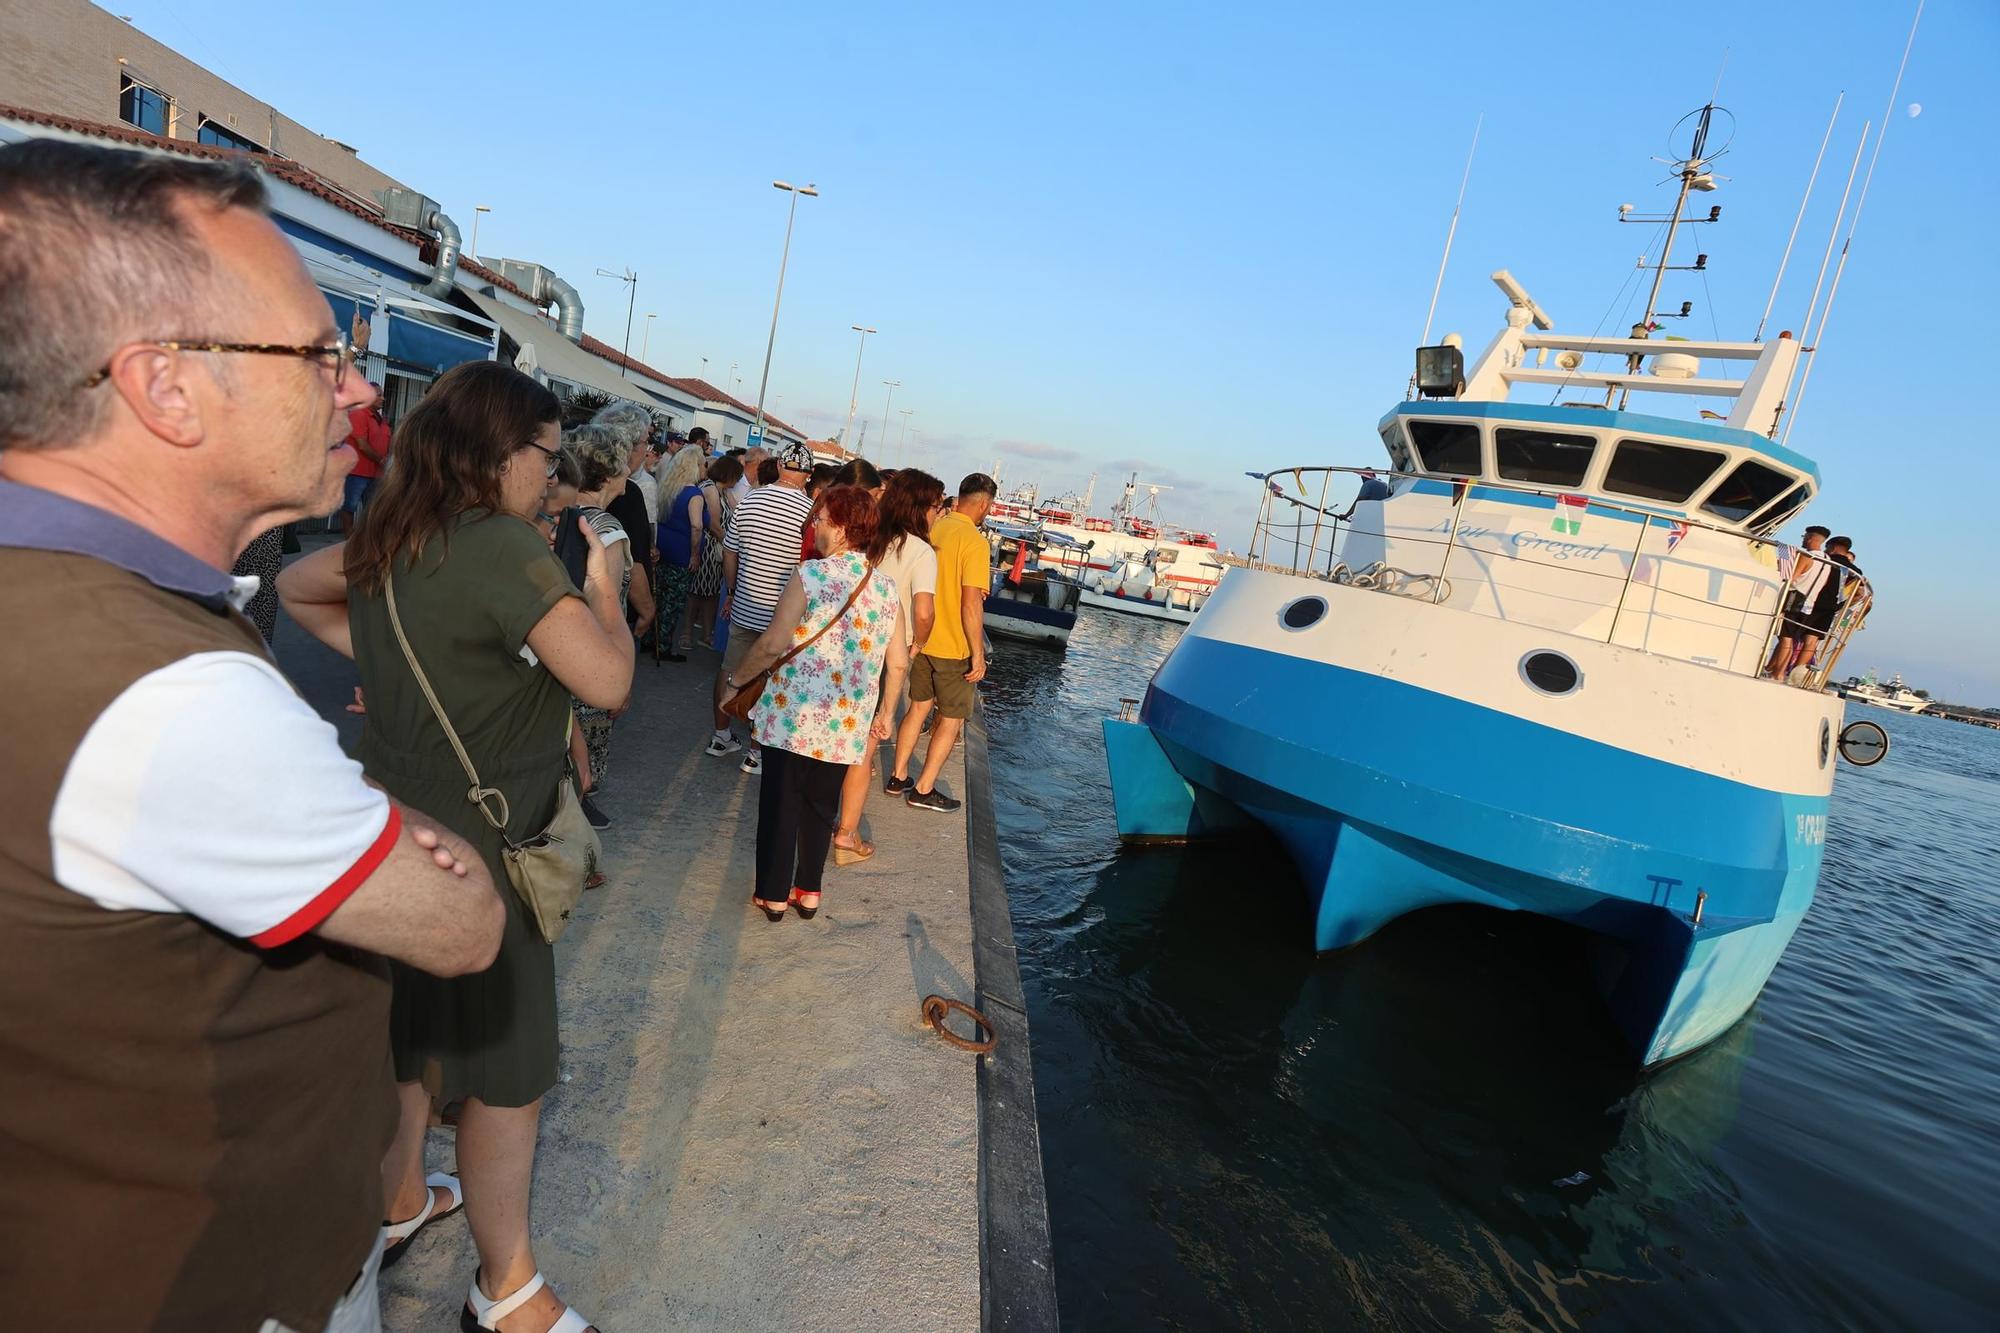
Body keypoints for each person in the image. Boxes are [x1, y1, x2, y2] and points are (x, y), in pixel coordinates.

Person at [0, 139, 505, 1333]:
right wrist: (381, 810)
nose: (363, 388)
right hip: (211, 1280)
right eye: (319, 353)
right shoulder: (169, 694)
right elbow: (460, 921)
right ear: (163, 387)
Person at [280, 359, 632, 1333]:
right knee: (506, 1077)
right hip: (488, 853)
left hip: (389, 838)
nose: (550, 483)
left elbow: (293, 585)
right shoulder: (505, 548)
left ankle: (400, 1206)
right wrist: (600, 581)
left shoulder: (398, 530)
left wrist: (398, 656)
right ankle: (505, 1286)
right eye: (546, 461)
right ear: (502, 451)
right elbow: (605, 682)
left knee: (403, 1046)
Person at [727, 485, 907, 919]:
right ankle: (808, 891)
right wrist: (885, 714)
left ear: (843, 528)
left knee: (779, 804)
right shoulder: (885, 588)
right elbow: (898, 663)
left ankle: (772, 894)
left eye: (820, 519)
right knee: (820, 808)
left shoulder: (809, 575)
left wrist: (736, 681)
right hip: (846, 723)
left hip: (794, 715)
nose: (813, 526)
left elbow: (772, 643)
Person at [834, 468, 941, 862]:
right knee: (864, 746)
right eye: (936, 504)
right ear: (921, 506)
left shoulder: (869, 533)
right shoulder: (920, 551)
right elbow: (924, 610)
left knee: (834, 739)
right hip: (885, 652)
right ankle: (847, 833)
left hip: (845, 645)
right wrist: (917, 644)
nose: (938, 512)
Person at [889, 472, 996, 812]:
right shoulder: (975, 543)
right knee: (950, 719)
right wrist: (977, 654)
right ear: (984, 504)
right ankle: (923, 788)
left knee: (918, 707)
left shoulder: (934, 527)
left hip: (923, 639)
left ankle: (898, 775)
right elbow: (970, 603)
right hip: (953, 647)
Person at [710, 441, 817, 773]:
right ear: (809, 475)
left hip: (744, 602)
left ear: (780, 466)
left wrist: (731, 589)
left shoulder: (752, 498)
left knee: (730, 668)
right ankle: (756, 751)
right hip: (783, 614)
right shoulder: (810, 512)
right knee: (771, 677)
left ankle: (720, 734)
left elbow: (730, 550)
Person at [566, 423, 648, 799]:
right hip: (587, 662)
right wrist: (620, 677)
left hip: (555, 652)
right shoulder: (608, 530)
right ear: (610, 472)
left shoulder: (559, 513)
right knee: (582, 768)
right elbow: (606, 610)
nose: (629, 472)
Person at [591, 401, 659, 642]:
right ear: (627, 445)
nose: (646, 449)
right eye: (644, 442)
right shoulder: (626, 492)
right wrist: (647, 610)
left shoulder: (582, 479)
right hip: (614, 613)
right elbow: (634, 562)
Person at [654, 432, 713, 660]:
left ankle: (653, 641)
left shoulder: (669, 488)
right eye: (703, 464)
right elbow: (697, 526)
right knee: (673, 603)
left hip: (664, 548)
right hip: (681, 553)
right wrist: (695, 555)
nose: (705, 467)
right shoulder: (694, 494)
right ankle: (665, 647)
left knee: (659, 598)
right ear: (695, 466)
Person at [688, 454, 740, 650]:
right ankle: (688, 633)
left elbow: (738, 511)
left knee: (709, 595)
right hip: (710, 547)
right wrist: (731, 545)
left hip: (717, 547)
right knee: (698, 593)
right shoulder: (711, 490)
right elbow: (714, 525)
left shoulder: (723, 491)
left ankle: (706, 634)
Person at [1765, 525, 1831, 680]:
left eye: (1804, 536)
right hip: (1809, 603)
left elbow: (1792, 577)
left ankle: (1778, 673)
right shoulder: (1827, 560)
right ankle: (1778, 671)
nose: (1803, 540)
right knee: (1790, 638)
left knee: (1785, 638)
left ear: (1810, 538)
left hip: (1795, 599)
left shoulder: (1807, 556)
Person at [338, 386, 391, 535]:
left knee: (373, 509)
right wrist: (382, 460)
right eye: (379, 395)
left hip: (376, 474)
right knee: (349, 506)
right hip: (357, 472)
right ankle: (348, 539)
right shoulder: (358, 414)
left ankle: (366, 540)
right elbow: (362, 444)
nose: (383, 399)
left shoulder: (382, 420)